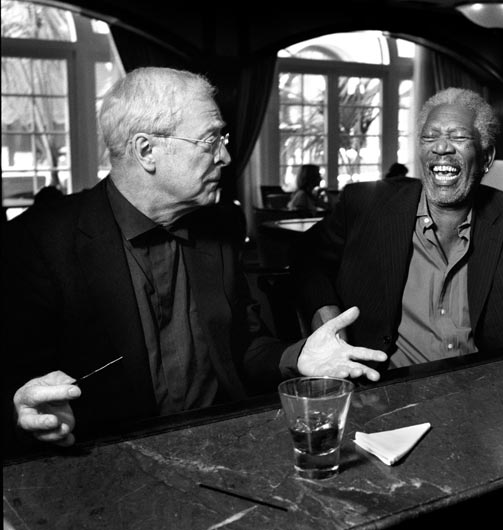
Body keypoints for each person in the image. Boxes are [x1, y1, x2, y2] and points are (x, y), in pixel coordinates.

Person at [2, 67, 385, 451]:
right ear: (146, 151)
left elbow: (243, 347)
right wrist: (23, 412)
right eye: (210, 140)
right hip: (104, 461)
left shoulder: (221, 226)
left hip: (222, 446)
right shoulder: (40, 243)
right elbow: (19, 388)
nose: (226, 156)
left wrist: (298, 357)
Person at [294, 87, 503, 380]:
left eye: (459, 137)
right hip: (383, 390)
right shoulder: (366, 205)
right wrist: (326, 314)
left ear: (486, 158)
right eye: (430, 137)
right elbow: (306, 257)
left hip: (484, 392)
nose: (441, 147)